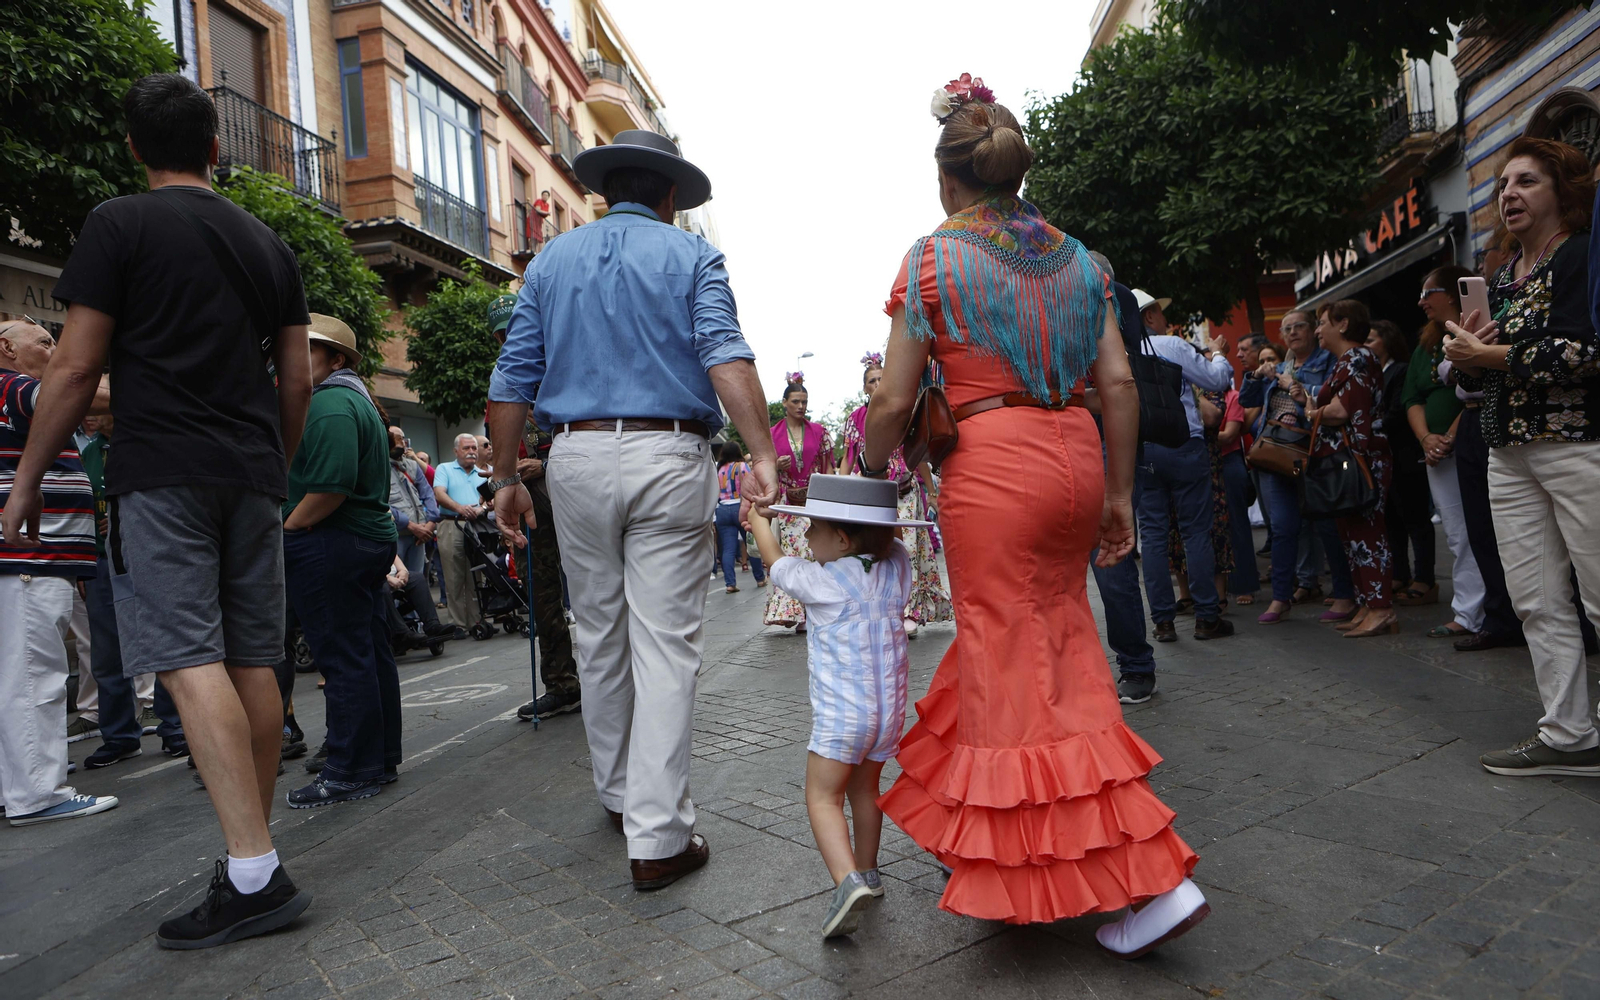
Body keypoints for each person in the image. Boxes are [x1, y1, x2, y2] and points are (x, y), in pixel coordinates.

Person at [866, 80, 1207, 953]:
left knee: (1011, 651)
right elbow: (1119, 383)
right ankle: (1010, 853)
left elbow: (895, 400)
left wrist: (869, 471)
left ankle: (1150, 879)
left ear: (948, 180)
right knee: (1045, 643)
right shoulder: (1082, 261)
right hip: (1076, 455)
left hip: (993, 464)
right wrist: (1118, 494)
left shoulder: (932, 258)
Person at [2, 75, 314, 946]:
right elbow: (295, 381)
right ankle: (252, 860)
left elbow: (72, 368)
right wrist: (275, 466)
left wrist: (27, 481)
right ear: (216, 147)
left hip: (163, 470)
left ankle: (253, 870)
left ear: (134, 148)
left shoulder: (118, 222)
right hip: (250, 471)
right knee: (252, 659)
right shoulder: (270, 244)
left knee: (185, 657)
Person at [486, 129, 779, 888]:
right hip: (668, 451)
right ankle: (658, 836)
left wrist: (506, 477)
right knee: (665, 644)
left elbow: (513, 374)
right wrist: (761, 453)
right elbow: (724, 351)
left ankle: (619, 796)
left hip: (575, 455)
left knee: (598, 634)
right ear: (670, 196)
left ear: (603, 191)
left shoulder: (551, 261)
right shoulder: (693, 256)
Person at [1449, 138, 1600, 776]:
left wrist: (1488, 356)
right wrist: (1466, 358)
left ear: (1563, 190)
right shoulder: (1504, 273)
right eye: (1504, 183)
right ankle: (1569, 735)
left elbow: (1584, 351)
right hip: (1508, 453)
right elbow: (1484, 376)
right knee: (1536, 599)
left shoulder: (1582, 253)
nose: (1509, 193)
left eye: (1527, 181)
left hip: (1576, 444)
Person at [748, 475, 925, 937]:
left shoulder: (822, 581)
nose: (806, 537)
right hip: (887, 715)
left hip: (843, 719)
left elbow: (775, 562)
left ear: (842, 540)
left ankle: (847, 882)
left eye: (813, 529)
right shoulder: (896, 568)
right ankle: (869, 872)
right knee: (866, 792)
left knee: (822, 797)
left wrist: (759, 521)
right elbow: (893, 544)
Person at [0, 319, 120, 825]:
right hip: (30, 558)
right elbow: (83, 390)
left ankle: (16, 789)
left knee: (16, 675)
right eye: (45, 342)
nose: (55, 351)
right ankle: (37, 794)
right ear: (7, 348)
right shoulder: (13, 386)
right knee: (34, 675)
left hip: (26, 559)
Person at [280, 315, 401, 806]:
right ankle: (378, 759)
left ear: (336, 360)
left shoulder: (330, 402)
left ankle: (350, 769)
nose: (293, 358)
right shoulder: (356, 398)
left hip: (333, 540)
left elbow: (331, 487)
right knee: (367, 652)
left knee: (344, 657)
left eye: (308, 349)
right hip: (360, 541)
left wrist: (288, 528)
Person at [484, 293, 581, 722]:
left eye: (515, 328)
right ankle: (562, 684)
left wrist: (546, 462)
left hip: (574, 487)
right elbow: (496, 444)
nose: (510, 338)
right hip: (527, 499)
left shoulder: (563, 365)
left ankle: (618, 676)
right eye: (502, 334)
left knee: (597, 585)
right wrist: (504, 475)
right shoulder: (501, 382)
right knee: (541, 592)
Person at [78, 412, 188, 769]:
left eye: (97, 405)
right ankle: (120, 736)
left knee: (166, 642)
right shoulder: (89, 452)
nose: (90, 415)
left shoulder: (146, 438)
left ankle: (176, 728)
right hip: (102, 559)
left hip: (150, 553)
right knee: (106, 653)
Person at [1130, 289, 1237, 642]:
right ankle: (1207, 616)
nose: (1164, 319)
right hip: (1184, 446)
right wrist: (1218, 354)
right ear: (1149, 316)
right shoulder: (1172, 346)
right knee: (1195, 533)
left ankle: (1163, 622)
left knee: (1153, 536)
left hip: (1145, 449)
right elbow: (1217, 380)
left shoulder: (1120, 353)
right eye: (1160, 313)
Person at [1239, 309, 1352, 623]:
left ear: (1313, 329)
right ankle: (1280, 598)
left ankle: (1344, 594)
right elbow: (1248, 399)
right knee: (1282, 528)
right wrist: (1256, 375)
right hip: (1278, 454)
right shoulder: (1280, 366)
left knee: (1328, 526)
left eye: (1298, 326)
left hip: (1316, 453)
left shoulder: (1328, 361)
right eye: (1286, 329)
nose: (1292, 333)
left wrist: (1295, 385)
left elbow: (1330, 400)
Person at [1291, 300, 1396, 637]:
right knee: (1353, 536)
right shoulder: (1349, 360)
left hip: (1361, 459)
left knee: (1367, 534)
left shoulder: (1356, 358)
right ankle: (1367, 604)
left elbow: (1341, 411)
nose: (1318, 330)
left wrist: (1311, 412)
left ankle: (1381, 608)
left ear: (1343, 324)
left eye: (1323, 322)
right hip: (1349, 460)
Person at [1082, 254, 1158, 704]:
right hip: (1088, 438)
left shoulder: (1112, 298)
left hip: (1105, 438)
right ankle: (1125, 666)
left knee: (1109, 556)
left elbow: (1120, 383)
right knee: (1105, 556)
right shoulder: (1112, 297)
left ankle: (1136, 665)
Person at [839, 352, 952, 633]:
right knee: (877, 550)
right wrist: (840, 490)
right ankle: (883, 607)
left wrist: (932, 491)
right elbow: (848, 458)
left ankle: (908, 610)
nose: (877, 384)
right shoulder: (855, 419)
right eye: (872, 381)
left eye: (881, 379)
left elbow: (917, 454)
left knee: (908, 551)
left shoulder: (904, 412)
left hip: (906, 493)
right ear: (864, 387)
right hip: (873, 494)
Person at [1404, 266, 1488, 642]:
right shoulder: (1427, 344)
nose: (1422, 302)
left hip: (1471, 437)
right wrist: (1426, 438)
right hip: (1437, 452)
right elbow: (1412, 397)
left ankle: (1485, 611)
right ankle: (1469, 611)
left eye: (1428, 293)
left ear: (1453, 293)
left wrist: (1451, 434)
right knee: (1456, 532)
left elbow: (1476, 395)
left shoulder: (1479, 327)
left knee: (1482, 528)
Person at [1369, 318, 1435, 607]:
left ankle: (1425, 578)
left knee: (1415, 518)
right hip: (1383, 456)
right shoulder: (1372, 373)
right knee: (1392, 518)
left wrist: (1368, 427)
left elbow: (1398, 410)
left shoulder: (1400, 370)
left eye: (1371, 340)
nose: (1366, 346)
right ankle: (1400, 573)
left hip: (1404, 454)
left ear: (1387, 342)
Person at [764, 377, 835, 630]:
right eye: (795, 401)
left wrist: (829, 497)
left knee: (813, 551)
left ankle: (814, 607)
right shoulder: (771, 434)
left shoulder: (819, 431)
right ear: (784, 403)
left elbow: (828, 467)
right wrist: (775, 465)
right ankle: (796, 612)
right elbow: (763, 466)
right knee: (793, 553)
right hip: (788, 503)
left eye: (804, 402)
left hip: (813, 500)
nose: (801, 406)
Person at [387, 426, 457, 642]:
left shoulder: (411, 465)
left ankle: (417, 627)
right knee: (394, 583)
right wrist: (410, 525)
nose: (402, 443)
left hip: (420, 535)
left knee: (415, 580)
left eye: (403, 438)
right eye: (397, 438)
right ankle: (399, 632)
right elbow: (382, 504)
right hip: (396, 535)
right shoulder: (377, 467)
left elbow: (428, 494)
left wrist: (430, 523)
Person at [434, 433, 488, 630]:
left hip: (477, 526)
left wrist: (482, 509)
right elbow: (439, 494)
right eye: (466, 448)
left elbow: (490, 501)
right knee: (454, 576)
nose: (471, 452)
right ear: (456, 451)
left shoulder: (482, 474)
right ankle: (457, 624)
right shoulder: (444, 468)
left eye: (474, 448)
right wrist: (460, 508)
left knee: (476, 575)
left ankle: (476, 621)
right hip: (451, 524)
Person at [716, 441, 766, 592]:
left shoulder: (719, 469)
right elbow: (751, 486)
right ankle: (760, 578)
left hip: (722, 509)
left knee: (728, 549)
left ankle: (730, 583)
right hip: (740, 506)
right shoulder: (742, 467)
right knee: (750, 543)